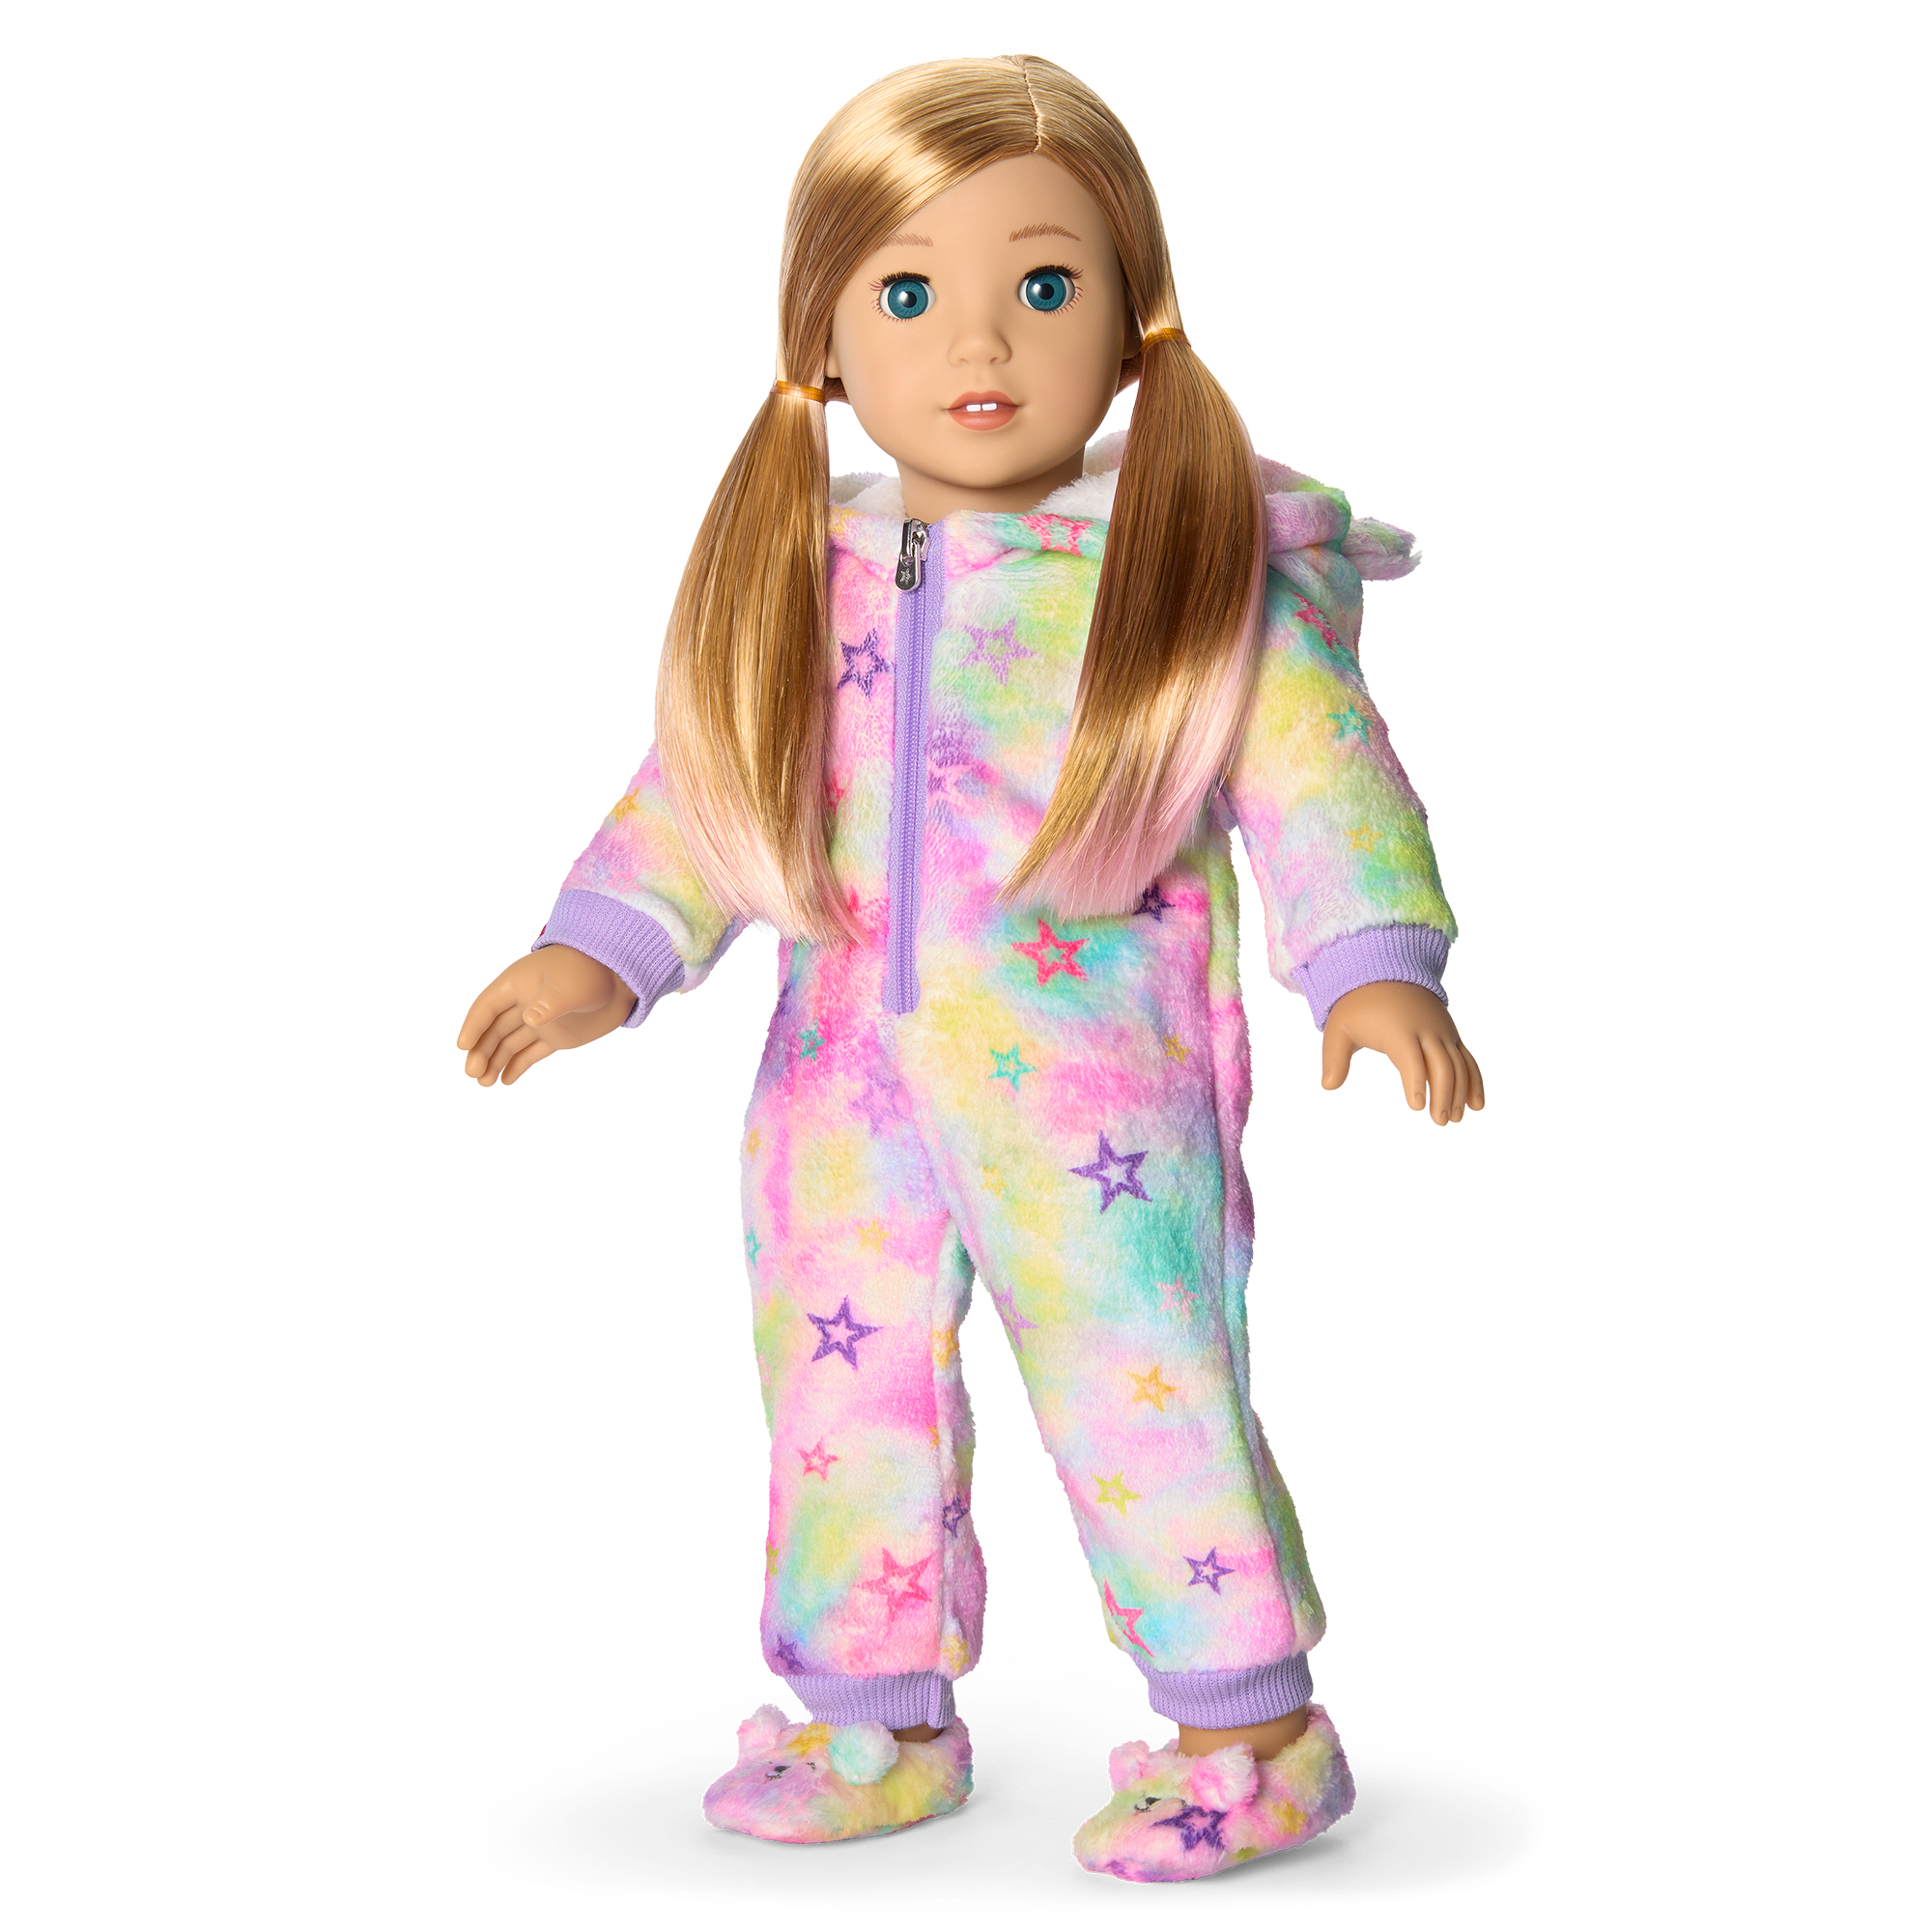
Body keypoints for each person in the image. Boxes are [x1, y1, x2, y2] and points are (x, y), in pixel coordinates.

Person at [457, 53, 1484, 1884]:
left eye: (1047, 282)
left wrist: (1372, 963)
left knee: (1141, 1377)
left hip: (1095, 1088)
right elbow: (705, 791)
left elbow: (1318, 774)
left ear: (1134, 317)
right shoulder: (807, 577)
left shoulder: (1176, 570)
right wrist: (599, 951)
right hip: (838, 1081)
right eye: (910, 291)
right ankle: (876, 1717)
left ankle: (1253, 1729)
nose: (980, 339)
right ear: (825, 335)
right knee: (836, 1396)